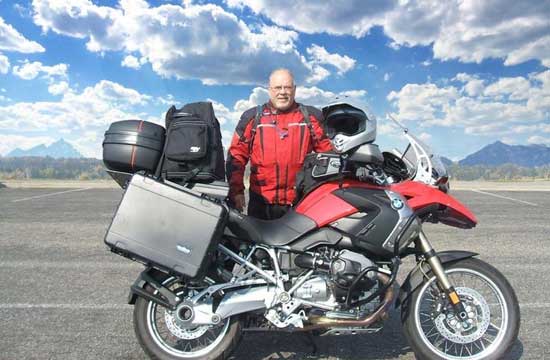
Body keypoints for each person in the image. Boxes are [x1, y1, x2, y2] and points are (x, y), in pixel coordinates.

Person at [226, 68, 333, 220]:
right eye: (277, 87)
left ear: (294, 90)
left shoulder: (311, 117)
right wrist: (236, 191)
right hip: (261, 203)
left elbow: (329, 156)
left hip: (300, 203)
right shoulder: (252, 118)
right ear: (269, 90)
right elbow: (236, 156)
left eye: (287, 87)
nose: (282, 92)